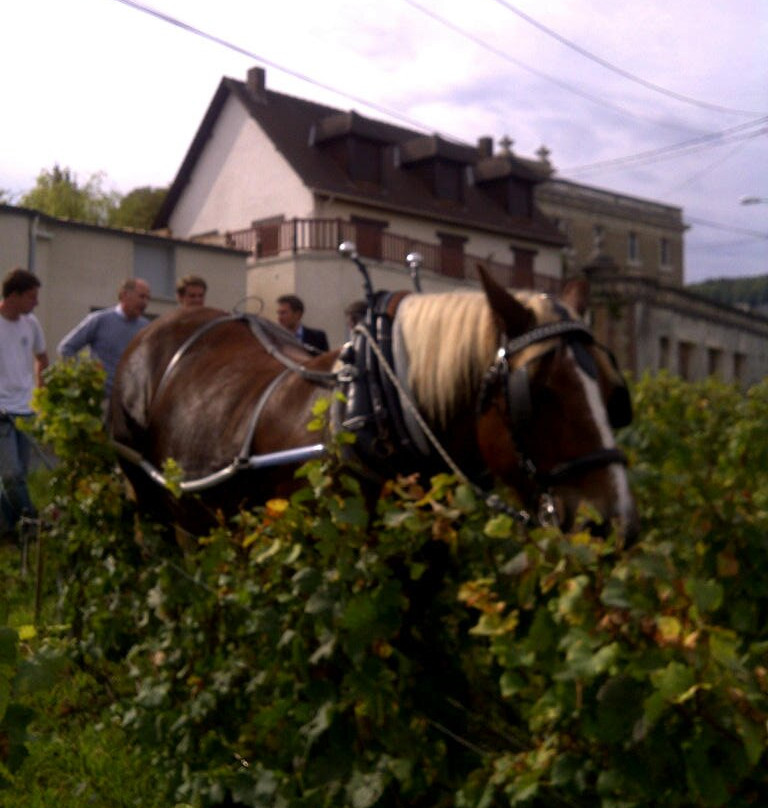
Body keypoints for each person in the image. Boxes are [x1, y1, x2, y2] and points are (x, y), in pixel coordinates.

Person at [0, 268, 49, 535]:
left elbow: (42, 358)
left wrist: (39, 396)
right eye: (31, 297)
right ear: (14, 295)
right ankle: (34, 523)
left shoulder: (31, 323)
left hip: (26, 409)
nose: (36, 303)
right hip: (1, 412)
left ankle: (9, 528)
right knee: (11, 475)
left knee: (18, 475)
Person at [58, 278, 151, 398]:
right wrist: (84, 375)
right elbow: (66, 348)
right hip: (100, 400)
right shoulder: (100, 320)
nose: (145, 303)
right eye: (141, 297)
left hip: (131, 401)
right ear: (124, 295)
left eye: (147, 298)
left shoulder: (147, 328)